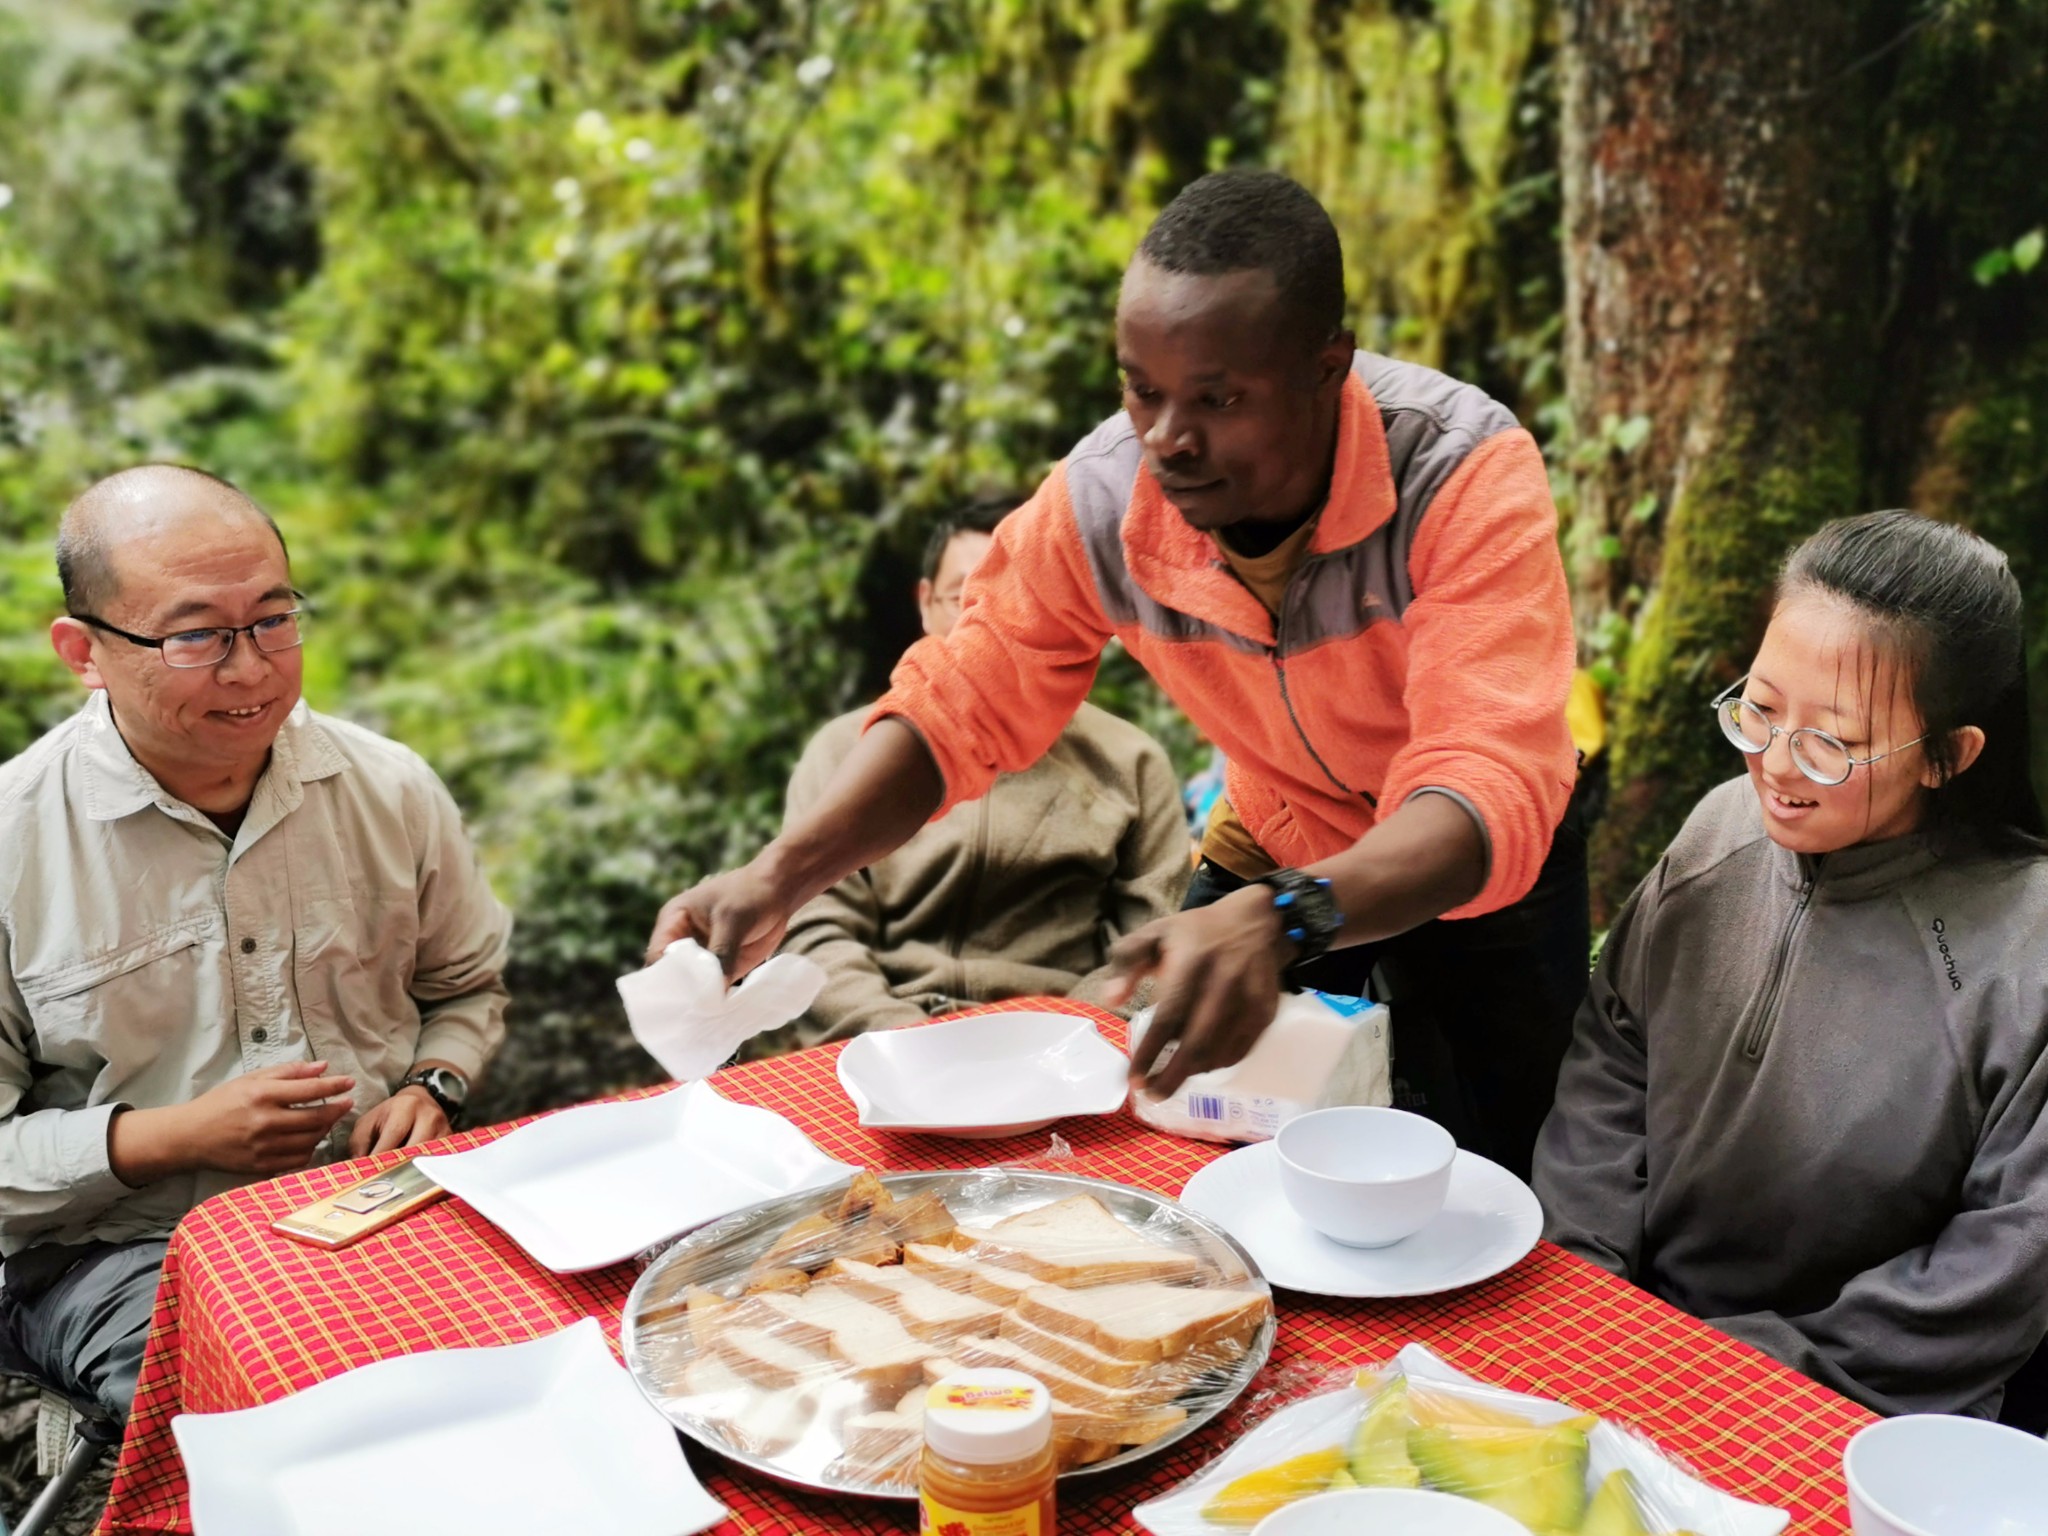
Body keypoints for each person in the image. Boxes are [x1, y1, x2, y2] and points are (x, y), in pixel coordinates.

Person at [648, 168, 1582, 1178]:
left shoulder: (1460, 472)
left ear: (1327, 368)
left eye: (1217, 399)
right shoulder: (1103, 499)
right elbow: (960, 698)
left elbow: (1479, 777)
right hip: (1276, 837)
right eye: (1141, 390)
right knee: (1195, 1141)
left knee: (1491, 1165)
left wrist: (1281, 915)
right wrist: (778, 875)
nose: (1168, 440)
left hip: (1468, 865)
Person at [0, 464, 512, 1424]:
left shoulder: (388, 787)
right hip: (116, 1248)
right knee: (306, 1408)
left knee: (560, 1345)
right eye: (196, 635)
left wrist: (429, 1086)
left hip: (375, 1195)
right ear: (84, 651)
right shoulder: (12, 843)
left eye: (274, 620)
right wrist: (172, 1138)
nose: (251, 669)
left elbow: (466, 989)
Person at [1534, 511, 2048, 1421]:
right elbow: (1614, 1053)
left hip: (1845, 1408)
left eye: (1832, 742)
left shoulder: (2023, 948)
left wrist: (1745, 1365)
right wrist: (1586, 1279)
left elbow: (2011, 1255)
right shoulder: (1722, 828)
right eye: (1762, 709)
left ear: (1948, 756)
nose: (1773, 764)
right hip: (1624, 1332)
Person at [749, 497, 1190, 1055]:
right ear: (927, 603)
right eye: (967, 599)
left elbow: (1155, 944)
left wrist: (1068, 1041)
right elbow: (815, 929)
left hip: (1063, 1050)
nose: (992, 624)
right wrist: (906, 1041)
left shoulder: (1131, 760)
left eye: (1018, 600)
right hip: (880, 1050)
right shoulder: (846, 753)